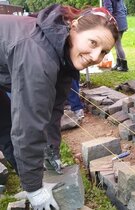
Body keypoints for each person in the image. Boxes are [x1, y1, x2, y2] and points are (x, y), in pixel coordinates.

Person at [0, 4, 118, 209]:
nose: (95, 56)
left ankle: (33, 180)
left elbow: (54, 110)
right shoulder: (38, 56)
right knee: (12, 127)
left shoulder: (62, 54)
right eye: (93, 42)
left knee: (6, 126)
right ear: (74, 26)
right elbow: (28, 125)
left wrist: (51, 148)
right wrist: (35, 191)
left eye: (103, 52)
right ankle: (33, 186)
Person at [104, 0, 129, 72]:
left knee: (118, 45)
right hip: (122, 21)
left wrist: (107, 22)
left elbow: (108, 11)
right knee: (117, 44)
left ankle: (124, 66)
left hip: (115, 22)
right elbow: (125, 9)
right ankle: (119, 63)